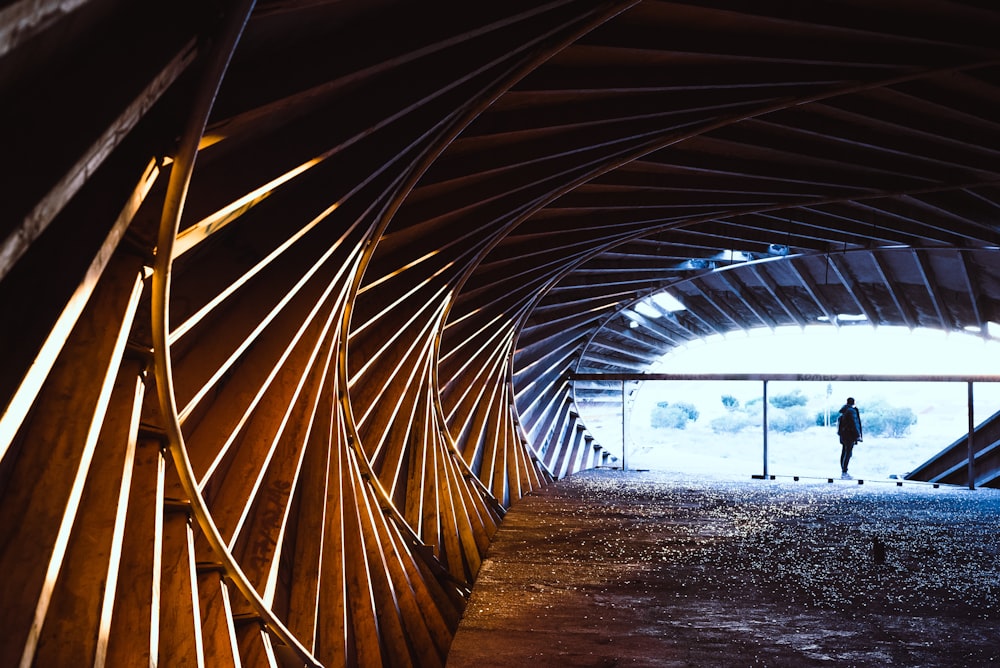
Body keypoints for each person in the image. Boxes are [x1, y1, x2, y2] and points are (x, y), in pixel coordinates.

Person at [837, 397, 862, 477]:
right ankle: (844, 471)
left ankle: (843, 469)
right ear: (853, 402)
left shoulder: (844, 411)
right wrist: (858, 435)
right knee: (848, 453)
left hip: (843, 435)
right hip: (850, 435)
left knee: (844, 451)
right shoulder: (852, 411)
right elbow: (855, 423)